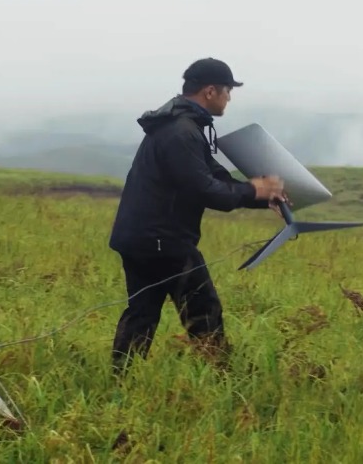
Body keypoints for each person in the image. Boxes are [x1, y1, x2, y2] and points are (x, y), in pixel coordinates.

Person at [107, 57, 288, 374]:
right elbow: (206, 191)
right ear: (210, 91)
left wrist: (262, 197)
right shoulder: (181, 132)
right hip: (164, 241)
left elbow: (215, 177)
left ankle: (120, 377)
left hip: (140, 237)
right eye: (228, 91)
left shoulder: (180, 126)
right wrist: (253, 190)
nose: (229, 98)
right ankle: (223, 378)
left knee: (142, 312)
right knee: (203, 310)